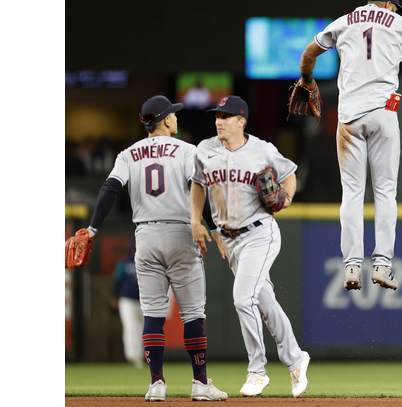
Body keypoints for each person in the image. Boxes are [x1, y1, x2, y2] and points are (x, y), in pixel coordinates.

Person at [83, 95, 227, 401]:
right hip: (180, 233)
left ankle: (156, 383)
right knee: (192, 314)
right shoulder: (187, 150)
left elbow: (110, 188)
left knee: (152, 313)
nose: (176, 118)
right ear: (164, 120)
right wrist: (212, 228)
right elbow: (201, 189)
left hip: (144, 237)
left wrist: (93, 227)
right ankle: (200, 383)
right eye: (172, 114)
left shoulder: (128, 153)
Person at [297, 0, 402, 291]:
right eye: (395, 7)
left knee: (352, 193)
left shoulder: (344, 21)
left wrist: (307, 81)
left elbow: (308, 54)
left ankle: (350, 266)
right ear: (389, 4)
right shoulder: (400, 24)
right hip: (384, 112)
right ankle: (383, 265)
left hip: (349, 118)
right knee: (385, 191)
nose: (395, 11)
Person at [190, 95, 311, 398]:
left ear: (241, 121)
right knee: (265, 302)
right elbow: (197, 185)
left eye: (226, 116)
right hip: (230, 239)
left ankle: (257, 370)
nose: (219, 120)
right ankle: (296, 359)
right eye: (217, 115)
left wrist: (288, 198)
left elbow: (289, 175)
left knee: (244, 298)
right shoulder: (205, 150)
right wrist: (197, 221)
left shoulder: (262, 149)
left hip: (260, 233)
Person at [111, 239, 144, 368]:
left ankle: (141, 356)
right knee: (131, 327)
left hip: (143, 301)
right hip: (127, 300)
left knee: (143, 329)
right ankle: (132, 355)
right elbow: (117, 281)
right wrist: (114, 297)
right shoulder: (123, 263)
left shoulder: (148, 262)